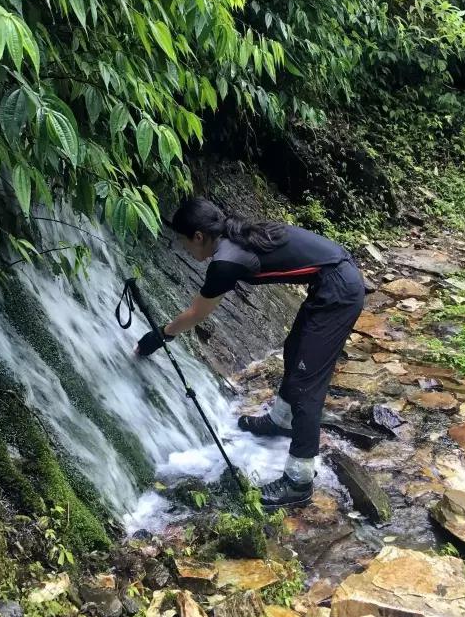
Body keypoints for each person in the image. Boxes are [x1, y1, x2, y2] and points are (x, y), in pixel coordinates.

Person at [135, 197, 365, 509]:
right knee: (294, 350)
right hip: (330, 282)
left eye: (184, 241)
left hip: (340, 290)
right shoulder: (232, 234)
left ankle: (299, 481)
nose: (185, 249)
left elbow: (196, 314)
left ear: (199, 237)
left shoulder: (225, 262)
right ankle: (281, 421)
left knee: (306, 385)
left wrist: (158, 337)